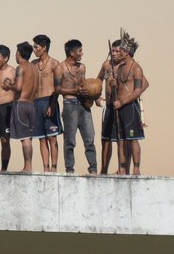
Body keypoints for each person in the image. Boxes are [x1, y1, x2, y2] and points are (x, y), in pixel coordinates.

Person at [59, 38, 98, 174]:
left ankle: (93, 168)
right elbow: (58, 89)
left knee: (89, 138)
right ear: (72, 53)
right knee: (70, 140)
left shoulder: (82, 67)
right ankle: (69, 169)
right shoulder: (60, 67)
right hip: (70, 105)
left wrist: (95, 97)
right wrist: (74, 91)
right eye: (80, 51)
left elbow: (85, 85)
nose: (82, 53)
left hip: (84, 105)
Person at [113, 37, 148, 175]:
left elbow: (138, 90)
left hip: (130, 107)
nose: (118, 52)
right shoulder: (121, 67)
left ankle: (136, 168)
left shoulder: (136, 68)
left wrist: (123, 101)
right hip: (119, 107)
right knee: (121, 140)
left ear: (126, 51)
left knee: (133, 139)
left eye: (121, 49)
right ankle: (122, 168)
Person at [4, 41, 39, 173]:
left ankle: (28, 167)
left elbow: (18, 88)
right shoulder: (35, 68)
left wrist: (8, 86)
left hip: (21, 104)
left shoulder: (21, 67)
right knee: (28, 138)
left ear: (18, 53)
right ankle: (28, 165)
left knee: (24, 139)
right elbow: (28, 85)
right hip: (31, 104)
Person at [31, 34, 62, 172]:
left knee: (52, 138)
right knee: (41, 138)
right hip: (36, 103)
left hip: (49, 101)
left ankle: (54, 167)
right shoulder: (33, 64)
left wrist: (53, 104)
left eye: (36, 47)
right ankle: (46, 168)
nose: (34, 50)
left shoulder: (55, 64)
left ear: (44, 48)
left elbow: (58, 87)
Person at [97, 43, 119, 174]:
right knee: (106, 139)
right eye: (112, 51)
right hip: (109, 105)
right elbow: (99, 79)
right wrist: (97, 96)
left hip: (121, 106)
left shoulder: (126, 66)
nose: (114, 53)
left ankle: (123, 169)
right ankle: (104, 170)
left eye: (117, 51)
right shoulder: (107, 64)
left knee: (123, 140)